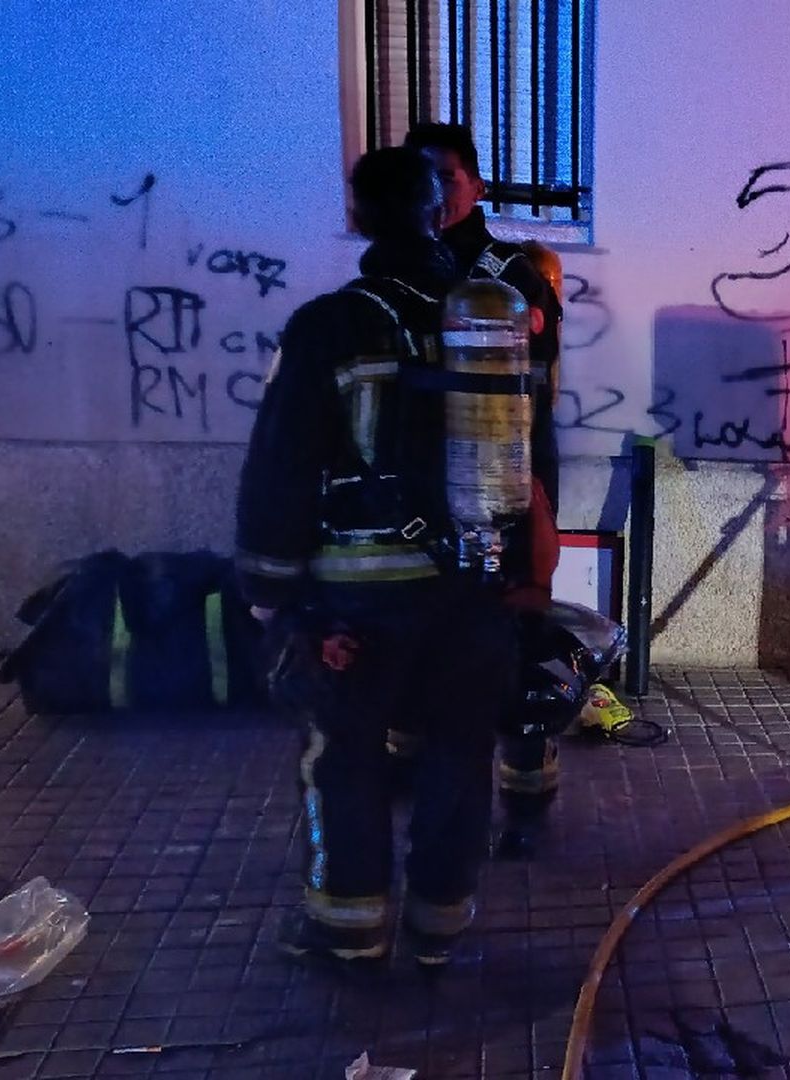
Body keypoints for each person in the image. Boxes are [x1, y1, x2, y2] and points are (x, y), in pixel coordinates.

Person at [236, 145, 518, 965]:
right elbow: (531, 455)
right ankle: (441, 922)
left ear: (357, 216)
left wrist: (272, 591)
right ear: (441, 211)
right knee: (460, 756)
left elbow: (281, 462)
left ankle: (349, 927)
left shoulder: (329, 324)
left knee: (346, 759)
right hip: (473, 590)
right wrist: (523, 582)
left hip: (358, 605)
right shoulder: (487, 320)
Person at [400, 123, 636, 851]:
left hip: (509, 478)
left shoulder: (511, 269)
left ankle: (527, 800)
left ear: (475, 183)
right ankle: (426, 777)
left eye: (448, 177)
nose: (436, 194)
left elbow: (539, 343)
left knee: (514, 634)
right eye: (422, 179)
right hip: (427, 485)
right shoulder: (406, 268)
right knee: (425, 631)